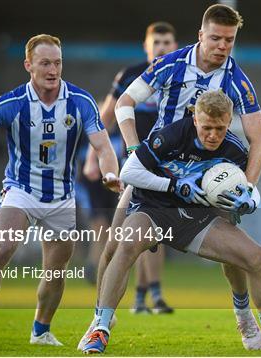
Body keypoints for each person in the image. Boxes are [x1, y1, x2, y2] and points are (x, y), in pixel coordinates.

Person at [79, 4, 261, 352]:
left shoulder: (238, 80)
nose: (222, 46)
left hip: (210, 179)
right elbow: (123, 103)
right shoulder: (170, 65)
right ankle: (99, 321)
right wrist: (135, 149)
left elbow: (258, 138)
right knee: (115, 245)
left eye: (229, 40)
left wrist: (248, 186)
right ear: (200, 35)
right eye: (215, 38)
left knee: (235, 254)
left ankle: (243, 317)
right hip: (157, 170)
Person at [0, 34, 122, 349]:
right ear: (28, 65)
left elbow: (101, 144)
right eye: (45, 63)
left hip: (61, 197)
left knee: (55, 272)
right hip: (21, 191)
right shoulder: (13, 103)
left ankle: (40, 330)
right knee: (1, 250)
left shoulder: (79, 101)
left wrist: (110, 172)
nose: (53, 69)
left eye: (57, 62)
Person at [83, 90, 261, 354]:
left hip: (195, 219)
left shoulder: (232, 149)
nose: (213, 135)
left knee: (258, 257)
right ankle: (100, 328)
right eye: (207, 127)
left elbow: (247, 187)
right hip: (152, 209)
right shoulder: (172, 135)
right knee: (124, 245)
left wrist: (250, 201)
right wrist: (174, 186)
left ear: (229, 122)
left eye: (220, 128)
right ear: (195, 119)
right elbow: (130, 171)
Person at [82, 22, 179, 315]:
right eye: (157, 43)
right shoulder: (130, 76)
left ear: (175, 47)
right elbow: (105, 118)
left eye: (167, 43)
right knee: (126, 232)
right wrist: (91, 158)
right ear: (146, 47)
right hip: (136, 165)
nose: (161, 48)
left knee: (156, 233)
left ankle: (149, 295)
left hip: (169, 166)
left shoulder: (181, 75)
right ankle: (129, 300)